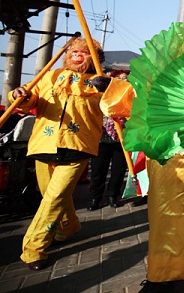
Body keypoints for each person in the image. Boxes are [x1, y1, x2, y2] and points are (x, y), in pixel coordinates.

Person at [8, 37, 129, 271]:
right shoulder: (50, 76)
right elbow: (29, 100)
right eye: (74, 50)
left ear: (94, 59)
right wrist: (19, 95)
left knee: (54, 198)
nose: (77, 54)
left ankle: (34, 248)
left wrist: (111, 89)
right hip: (44, 143)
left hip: (77, 145)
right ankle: (68, 225)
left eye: (83, 52)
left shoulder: (99, 83)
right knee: (50, 196)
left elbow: (123, 103)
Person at [88, 70, 130, 210]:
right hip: (102, 139)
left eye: (125, 79)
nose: (123, 81)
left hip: (122, 140)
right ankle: (95, 197)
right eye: (120, 78)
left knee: (118, 171)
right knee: (98, 171)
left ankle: (112, 196)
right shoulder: (100, 96)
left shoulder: (130, 96)